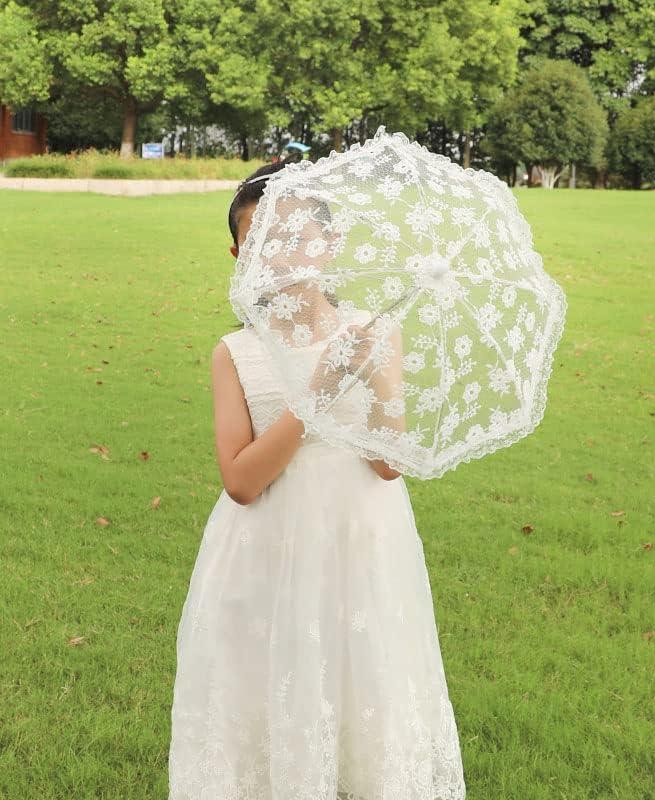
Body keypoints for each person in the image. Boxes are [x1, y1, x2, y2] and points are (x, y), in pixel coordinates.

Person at [167, 155, 467, 799]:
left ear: (330, 246)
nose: (285, 255)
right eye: (264, 241)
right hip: (269, 544)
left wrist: (379, 380)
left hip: (360, 535)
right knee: (272, 671)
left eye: (300, 237)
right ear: (238, 253)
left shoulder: (374, 333)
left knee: (361, 674)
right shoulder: (238, 353)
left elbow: (388, 462)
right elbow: (243, 482)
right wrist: (317, 396)